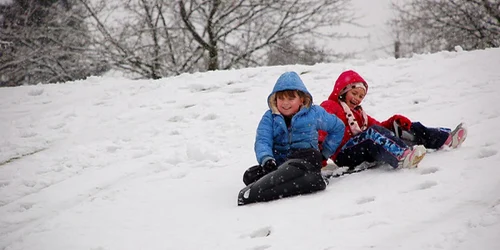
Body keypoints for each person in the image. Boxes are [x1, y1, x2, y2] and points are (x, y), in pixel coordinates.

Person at [319, 70, 467, 170]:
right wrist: (320, 158)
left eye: (361, 96)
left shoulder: (358, 114)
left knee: (402, 127)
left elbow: (378, 127)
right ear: (343, 90)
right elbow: (320, 131)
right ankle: (402, 156)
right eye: (354, 93)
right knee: (372, 134)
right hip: (344, 154)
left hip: (361, 147)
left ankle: (444, 139)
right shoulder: (330, 106)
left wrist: (393, 122)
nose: (357, 99)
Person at [237, 71, 345, 206]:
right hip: (280, 164)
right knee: (250, 175)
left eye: (291, 98)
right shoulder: (269, 118)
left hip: (306, 160)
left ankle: (269, 188)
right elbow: (263, 140)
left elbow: (338, 127)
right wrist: (267, 159)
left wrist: (325, 153)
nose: (285, 103)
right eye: (281, 98)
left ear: (302, 99)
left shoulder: (314, 113)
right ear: (275, 99)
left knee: (309, 154)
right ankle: (303, 182)